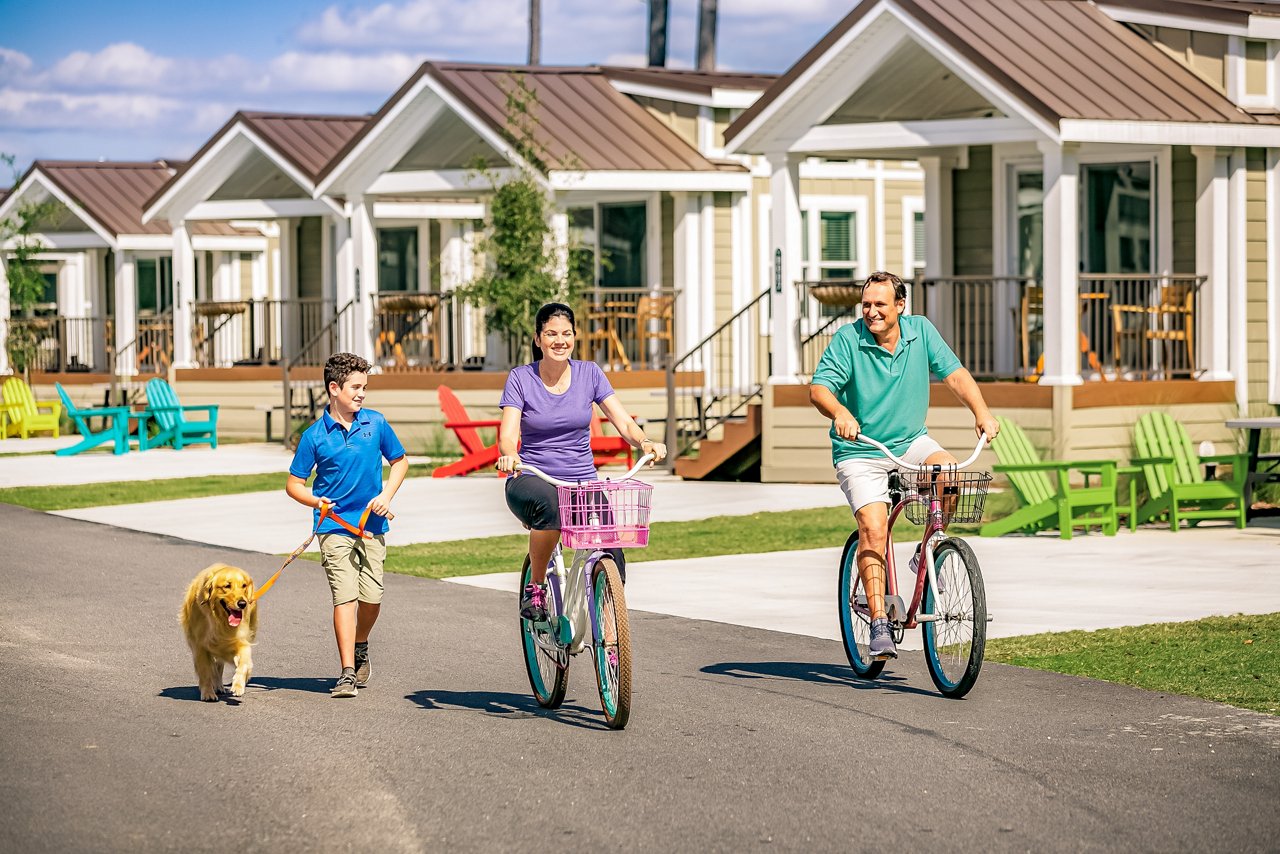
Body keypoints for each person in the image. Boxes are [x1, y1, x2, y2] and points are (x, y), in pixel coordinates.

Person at [809, 271, 998, 660]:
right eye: (866, 305)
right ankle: (879, 622)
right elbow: (819, 388)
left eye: (881, 304)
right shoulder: (849, 340)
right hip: (861, 449)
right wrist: (841, 412)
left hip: (910, 441)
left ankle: (926, 548)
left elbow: (956, 375)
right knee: (874, 530)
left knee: (948, 471)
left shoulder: (921, 332)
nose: (872, 312)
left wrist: (981, 412)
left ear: (900, 306)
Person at [496, 302, 667, 620]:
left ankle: (610, 624)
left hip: (581, 480)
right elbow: (508, 434)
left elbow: (623, 421)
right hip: (532, 475)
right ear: (538, 339)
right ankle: (535, 588)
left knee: (612, 547)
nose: (559, 340)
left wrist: (645, 442)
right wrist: (510, 455)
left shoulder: (589, 373)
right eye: (550, 333)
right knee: (551, 506)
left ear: (574, 337)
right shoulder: (521, 378)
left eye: (566, 333)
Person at [287, 352, 409, 698]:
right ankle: (346, 673)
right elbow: (294, 484)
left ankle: (361, 643)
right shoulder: (314, 436)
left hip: (371, 526)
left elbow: (400, 462)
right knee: (345, 597)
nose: (361, 394)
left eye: (365, 387)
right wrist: (316, 501)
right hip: (333, 527)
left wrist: (386, 495)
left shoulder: (376, 424)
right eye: (355, 387)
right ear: (334, 388)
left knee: (372, 598)